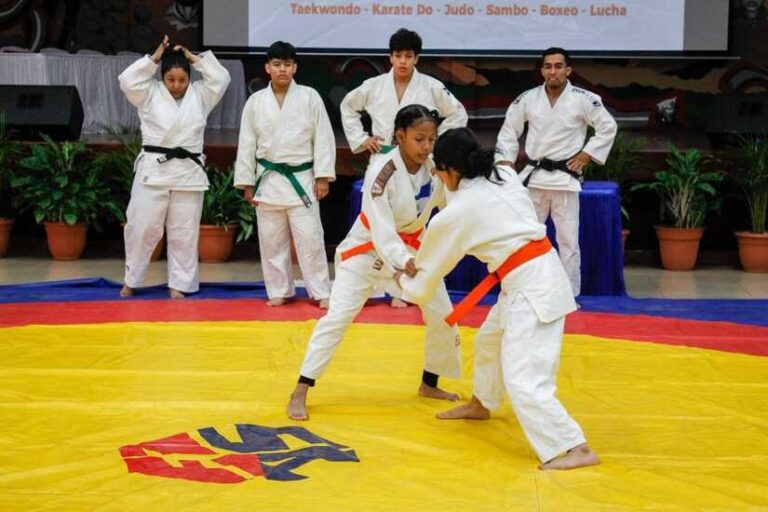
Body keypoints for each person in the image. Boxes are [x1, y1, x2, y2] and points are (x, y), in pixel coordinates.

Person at [396, 127, 599, 471]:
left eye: (438, 171)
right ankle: (482, 402)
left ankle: (573, 446)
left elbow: (427, 275)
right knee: (490, 341)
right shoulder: (503, 175)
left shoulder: (459, 212)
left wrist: (405, 281)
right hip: (527, 277)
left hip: (533, 287)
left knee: (524, 378)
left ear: (450, 171)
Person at [287, 104, 462, 421]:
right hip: (367, 252)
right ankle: (301, 388)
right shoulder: (381, 172)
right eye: (419, 139)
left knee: (443, 313)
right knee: (337, 318)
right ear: (400, 136)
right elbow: (382, 229)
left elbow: (453, 207)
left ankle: (430, 382)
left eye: (431, 139)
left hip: (412, 250)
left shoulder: (436, 167)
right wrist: (403, 259)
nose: (426, 146)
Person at [340, 27, 468, 308]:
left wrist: (433, 142)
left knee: (411, 218)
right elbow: (348, 107)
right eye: (398, 55)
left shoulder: (431, 86)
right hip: (384, 159)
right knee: (378, 219)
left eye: (408, 56)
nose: (402, 61)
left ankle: (404, 289)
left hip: (418, 163)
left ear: (416, 59)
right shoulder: (374, 85)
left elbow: (458, 113)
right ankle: (370, 286)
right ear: (390, 57)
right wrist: (361, 139)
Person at [495, 47, 616, 297]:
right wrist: (505, 162)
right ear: (542, 71)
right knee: (526, 237)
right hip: (534, 178)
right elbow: (509, 131)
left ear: (568, 70)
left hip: (564, 179)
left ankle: (568, 295)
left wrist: (587, 153)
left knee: (568, 241)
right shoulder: (528, 98)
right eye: (548, 66)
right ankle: (523, 290)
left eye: (558, 66)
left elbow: (608, 126)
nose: (553, 71)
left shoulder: (584, 99)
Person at [119, 35, 231, 298]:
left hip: (187, 172)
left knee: (184, 232)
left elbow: (222, 78)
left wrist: (195, 59)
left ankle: (180, 284)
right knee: (141, 228)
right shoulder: (148, 92)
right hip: (153, 170)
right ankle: (132, 279)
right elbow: (126, 80)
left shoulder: (201, 95)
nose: (177, 85)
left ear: (190, 78)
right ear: (162, 77)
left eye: (182, 80)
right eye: (171, 79)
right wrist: (153, 59)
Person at [234, 41, 335, 308]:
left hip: (302, 180)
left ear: (295, 68)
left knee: (311, 239)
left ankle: (321, 291)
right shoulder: (256, 102)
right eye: (277, 64)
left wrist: (322, 176)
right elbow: (247, 144)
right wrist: (247, 183)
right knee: (271, 240)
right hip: (267, 180)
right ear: (267, 68)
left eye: (287, 64)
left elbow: (323, 138)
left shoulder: (310, 97)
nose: (282, 69)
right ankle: (279, 289)